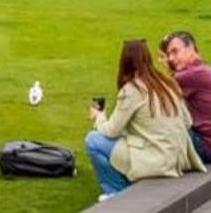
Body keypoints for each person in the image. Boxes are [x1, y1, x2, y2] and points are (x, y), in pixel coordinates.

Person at [85, 37, 204, 196]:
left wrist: (99, 117)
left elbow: (111, 131)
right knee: (122, 137)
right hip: (178, 157)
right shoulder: (168, 83)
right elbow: (187, 122)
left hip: (157, 159)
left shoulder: (132, 90)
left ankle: (116, 193)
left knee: (93, 140)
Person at [161, 30, 211, 165]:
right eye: (168, 54)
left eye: (175, 51)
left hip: (209, 148)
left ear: (190, 49)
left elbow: (158, 92)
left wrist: (169, 70)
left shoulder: (193, 74)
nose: (171, 58)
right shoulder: (203, 69)